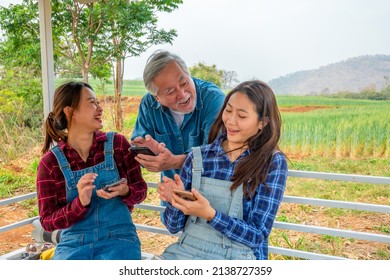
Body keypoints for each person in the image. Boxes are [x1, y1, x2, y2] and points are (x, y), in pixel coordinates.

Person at [157, 80, 288, 260]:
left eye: (242, 116)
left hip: (240, 257)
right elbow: (173, 226)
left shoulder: (272, 162)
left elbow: (258, 235)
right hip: (187, 251)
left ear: (262, 123)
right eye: (228, 110)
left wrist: (211, 215)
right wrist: (175, 200)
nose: (231, 121)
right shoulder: (198, 157)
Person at [36, 81, 147, 260]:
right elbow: (47, 221)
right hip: (73, 243)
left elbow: (141, 191)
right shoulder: (50, 164)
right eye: (92, 102)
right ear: (70, 111)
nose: (100, 108)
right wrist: (79, 203)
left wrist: (126, 191)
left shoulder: (118, 145)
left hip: (120, 239)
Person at [130, 50, 225, 221]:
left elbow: (216, 156)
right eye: (170, 91)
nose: (182, 94)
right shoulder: (148, 105)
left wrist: (173, 161)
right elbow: (140, 148)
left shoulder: (213, 99)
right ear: (156, 98)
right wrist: (149, 153)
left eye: (184, 82)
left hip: (210, 199)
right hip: (173, 197)